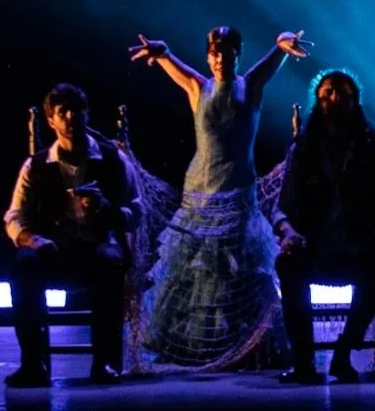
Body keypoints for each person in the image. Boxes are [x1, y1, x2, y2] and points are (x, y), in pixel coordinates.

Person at [130, 24, 308, 368]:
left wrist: (282, 46)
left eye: (227, 51)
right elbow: (170, 60)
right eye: (214, 51)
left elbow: (274, 58)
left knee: (237, 268)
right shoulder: (199, 87)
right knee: (198, 271)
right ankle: (197, 344)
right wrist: (162, 51)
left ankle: (246, 344)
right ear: (208, 55)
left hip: (237, 192)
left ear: (237, 55)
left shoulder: (248, 86)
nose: (220, 57)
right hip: (200, 192)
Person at [274, 68, 375, 385]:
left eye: (342, 93)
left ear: (355, 101)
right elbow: (281, 209)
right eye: (327, 93)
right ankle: (304, 362)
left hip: (359, 246)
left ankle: (342, 355)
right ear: (318, 101)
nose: (335, 99)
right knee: (287, 264)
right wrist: (290, 233)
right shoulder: (303, 149)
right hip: (314, 246)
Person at [2, 84, 138, 388]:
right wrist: (31, 239)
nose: (70, 116)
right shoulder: (36, 166)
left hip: (97, 247)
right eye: (62, 112)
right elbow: (14, 215)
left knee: (111, 261)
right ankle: (33, 363)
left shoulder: (112, 160)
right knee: (23, 265)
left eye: (76, 109)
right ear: (51, 121)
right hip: (54, 249)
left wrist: (108, 211)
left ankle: (105, 362)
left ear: (86, 114)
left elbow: (136, 209)